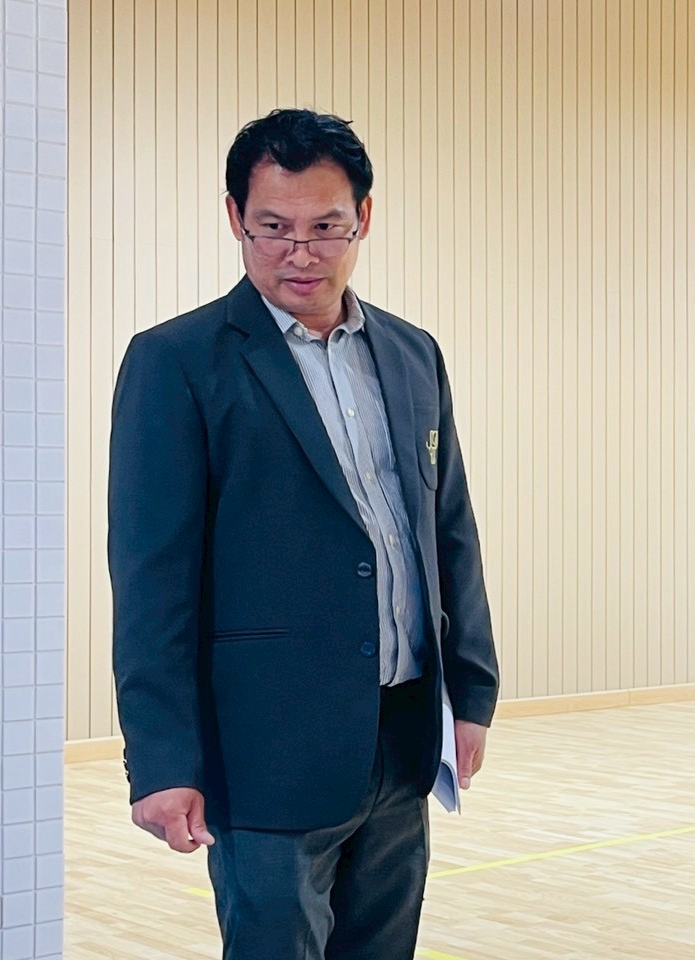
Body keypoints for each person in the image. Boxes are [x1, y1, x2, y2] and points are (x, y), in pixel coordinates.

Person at [107, 108, 500, 960]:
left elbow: (449, 532)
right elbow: (151, 582)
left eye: (326, 227)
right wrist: (162, 760)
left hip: (400, 739)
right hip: (264, 752)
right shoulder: (178, 361)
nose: (300, 252)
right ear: (234, 219)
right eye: (273, 228)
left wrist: (470, 694)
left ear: (364, 218)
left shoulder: (413, 353)